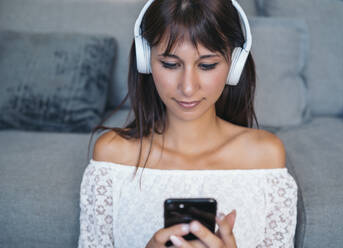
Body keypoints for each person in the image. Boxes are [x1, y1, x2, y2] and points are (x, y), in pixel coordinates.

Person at [78, 0, 298, 247]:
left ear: (234, 66)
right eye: (170, 64)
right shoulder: (112, 156)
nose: (188, 87)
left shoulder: (265, 156)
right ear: (145, 60)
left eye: (207, 65)